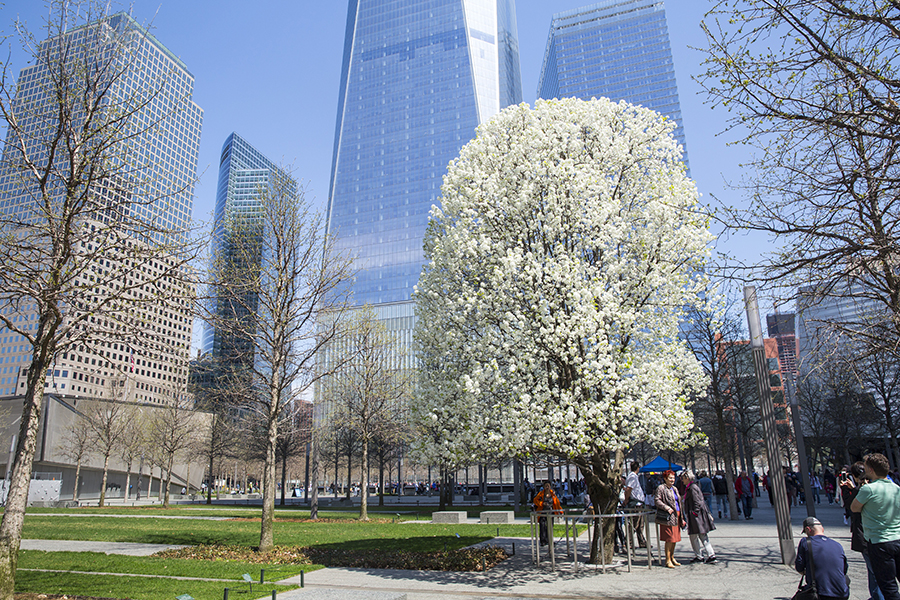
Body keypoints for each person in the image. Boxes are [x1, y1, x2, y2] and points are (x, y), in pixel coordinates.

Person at [851, 453, 900, 600]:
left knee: (888, 584)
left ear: (871, 470)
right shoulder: (896, 488)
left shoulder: (868, 490)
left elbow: (854, 508)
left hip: (879, 542)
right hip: (897, 538)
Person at [840, 461, 885, 600]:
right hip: (881, 534)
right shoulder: (876, 487)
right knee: (875, 572)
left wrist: (849, 491)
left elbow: (853, 507)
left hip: (869, 536)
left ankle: (878, 597)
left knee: (875, 572)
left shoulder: (865, 490)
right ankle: (876, 596)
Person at [794, 516, 850, 600]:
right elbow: (844, 570)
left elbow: (799, 567)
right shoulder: (837, 545)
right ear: (822, 529)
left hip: (820, 593)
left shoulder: (805, 542)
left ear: (808, 529)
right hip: (842, 593)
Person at [680, 470, 717, 564]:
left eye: (683, 478)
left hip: (696, 517)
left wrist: (694, 513)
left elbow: (697, 502)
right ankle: (710, 554)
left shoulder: (692, 488)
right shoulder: (693, 487)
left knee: (695, 536)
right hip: (698, 516)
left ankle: (700, 555)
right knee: (703, 536)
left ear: (687, 478)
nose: (682, 480)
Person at [655, 469, 685, 568]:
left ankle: (672, 557)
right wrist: (666, 507)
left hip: (677, 514)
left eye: (673, 478)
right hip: (668, 516)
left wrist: (682, 518)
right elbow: (657, 500)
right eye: (670, 478)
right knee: (669, 538)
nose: (672, 480)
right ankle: (667, 560)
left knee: (675, 539)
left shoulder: (674, 489)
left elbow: (679, 502)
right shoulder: (661, 488)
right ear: (665, 478)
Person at [623, 461, 647, 547]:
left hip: (639, 503)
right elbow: (629, 489)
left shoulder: (634, 476)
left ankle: (641, 541)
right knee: (634, 524)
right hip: (636, 503)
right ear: (638, 468)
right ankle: (627, 542)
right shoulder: (632, 476)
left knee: (640, 524)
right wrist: (626, 500)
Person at [532, 481, 563, 547]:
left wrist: (559, 511)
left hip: (550, 512)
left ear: (550, 487)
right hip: (542, 512)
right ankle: (543, 541)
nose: (547, 487)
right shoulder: (541, 494)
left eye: (548, 486)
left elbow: (557, 503)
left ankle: (550, 540)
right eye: (546, 486)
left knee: (550, 526)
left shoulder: (553, 494)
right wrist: (542, 503)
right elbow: (535, 500)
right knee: (542, 526)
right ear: (543, 487)